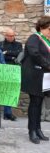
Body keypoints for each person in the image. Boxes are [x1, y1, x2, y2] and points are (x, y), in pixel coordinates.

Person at [21, 16, 50, 144]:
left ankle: (38, 129)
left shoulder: (46, 40)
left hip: (43, 77)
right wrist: (48, 65)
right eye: (49, 29)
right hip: (34, 76)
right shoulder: (35, 38)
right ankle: (32, 130)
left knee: (39, 103)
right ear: (41, 27)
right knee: (34, 104)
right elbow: (35, 54)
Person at [0, 28, 23, 121]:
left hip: (14, 70)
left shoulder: (18, 44)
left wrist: (7, 53)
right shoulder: (0, 44)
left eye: (13, 36)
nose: (11, 37)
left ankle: (7, 113)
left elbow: (19, 54)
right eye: (9, 36)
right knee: (4, 90)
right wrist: (12, 56)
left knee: (11, 91)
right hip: (3, 69)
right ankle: (7, 113)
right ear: (5, 35)